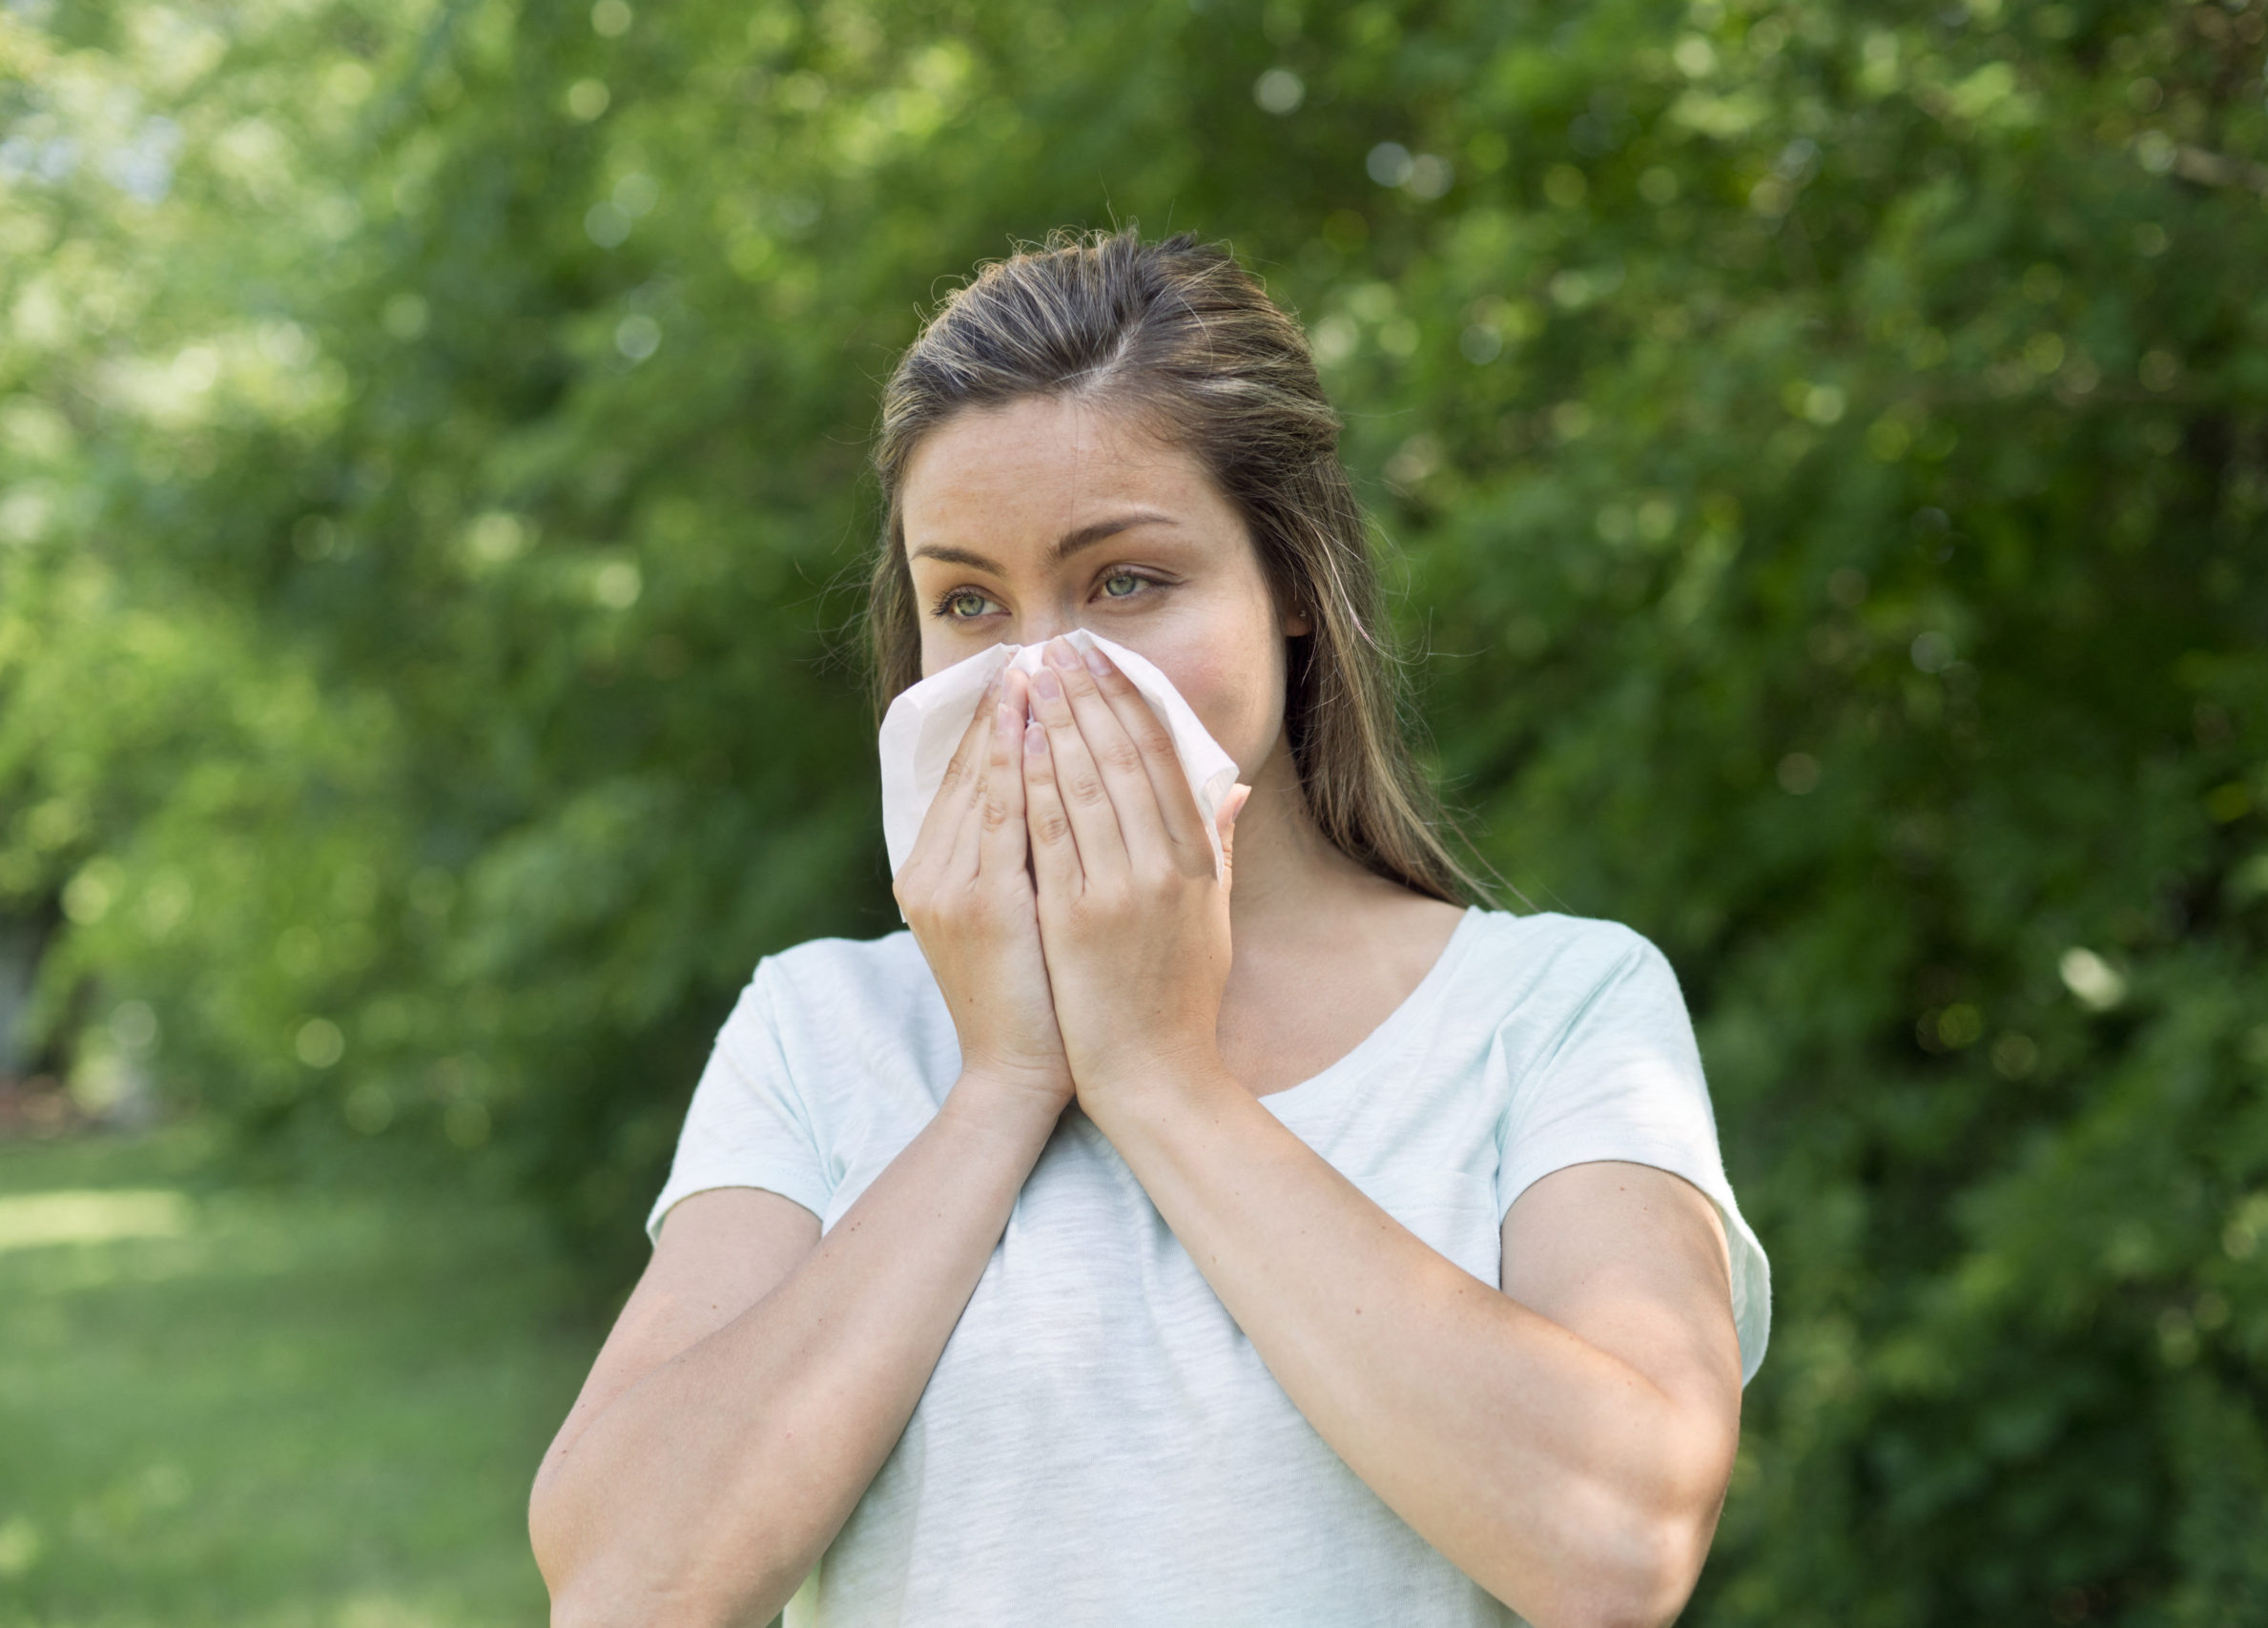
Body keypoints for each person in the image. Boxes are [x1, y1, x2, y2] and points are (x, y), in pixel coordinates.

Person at [527, 228, 1769, 1628]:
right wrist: (1002, 1084)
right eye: (969, 602)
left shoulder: (1557, 1007)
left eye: (1124, 581)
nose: (1039, 675)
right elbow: (621, 1586)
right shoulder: (821, 1027)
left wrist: (1157, 1075)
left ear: (1293, 587)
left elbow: (1615, 1549)